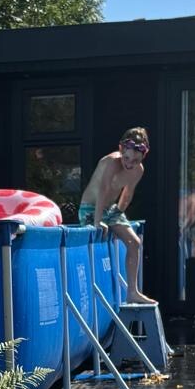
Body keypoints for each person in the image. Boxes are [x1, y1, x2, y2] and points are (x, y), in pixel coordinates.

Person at [78, 127, 156, 304]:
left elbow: (127, 194)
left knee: (135, 243)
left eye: (135, 160)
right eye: (127, 158)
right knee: (97, 237)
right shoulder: (111, 162)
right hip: (91, 208)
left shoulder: (138, 170)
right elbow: (103, 190)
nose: (129, 164)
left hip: (111, 210)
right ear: (121, 149)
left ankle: (132, 292)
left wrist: (119, 213)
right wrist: (98, 222)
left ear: (143, 156)